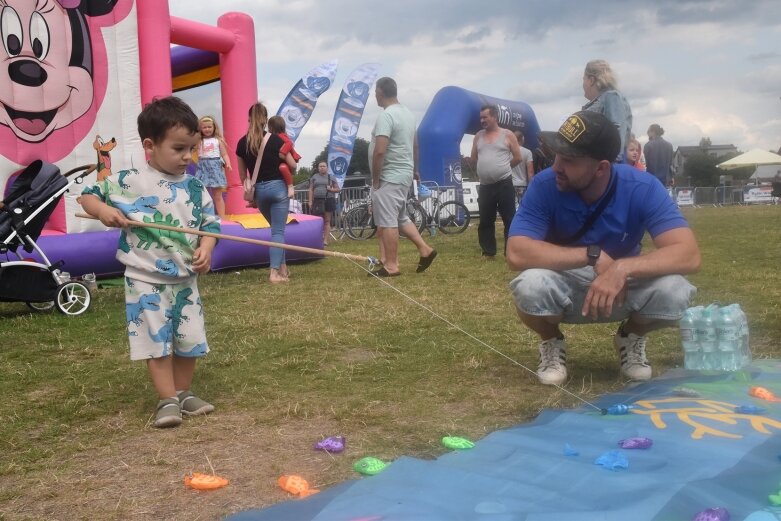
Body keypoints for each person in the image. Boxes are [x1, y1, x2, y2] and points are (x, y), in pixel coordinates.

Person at [506, 110, 700, 386]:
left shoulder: (641, 186)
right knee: (529, 285)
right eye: (556, 155)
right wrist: (591, 254)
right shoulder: (545, 184)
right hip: (567, 280)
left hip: (624, 286)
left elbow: (688, 253)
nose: (557, 166)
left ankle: (630, 336)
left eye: (569, 160)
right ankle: (551, 341)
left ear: (601, 168)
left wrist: (622, 267)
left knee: (677, 291)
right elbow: (516, 252)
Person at [79, 96, 221, 428]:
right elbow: (87, 196)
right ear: (150, 145)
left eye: (192, 149)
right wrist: (104, 211)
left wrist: (208, 247)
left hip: (185, 279)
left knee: (190, 339)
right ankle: (167, 399)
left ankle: (183, 392)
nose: (188, 156)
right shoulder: (128, 181)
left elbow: (211, 225)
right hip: (145, 278)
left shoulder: (197, 187)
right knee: (156, 341)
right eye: (179, 148)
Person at [368, 76, 437, 277]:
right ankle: (425, 249)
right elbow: (415, 144)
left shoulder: (386, 116)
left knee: (388, 220)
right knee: (400, 217)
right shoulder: (408, 114)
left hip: (389, 175)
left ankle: (391, 265)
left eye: (375, 93)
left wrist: (375, 178)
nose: (375, 97)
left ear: (380, 93)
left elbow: (380, 150)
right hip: (404, 173)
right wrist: (415, 168)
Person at [236, 102, 297, 283]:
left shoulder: (242, 143)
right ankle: (274, 273)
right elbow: (292, 165)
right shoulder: (277, 140)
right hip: (278, 188)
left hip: (260, 192)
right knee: (278, 232)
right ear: (265, 120)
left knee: (276, 231)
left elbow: (242, 175)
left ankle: (283, 270)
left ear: (249, 119)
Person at [469, 105, 521, 259]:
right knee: (485, 219)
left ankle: (511, 251)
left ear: (495, 117)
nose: (482, 120)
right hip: (485, 185)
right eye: (481, 118)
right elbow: (473, 157)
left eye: (485, 117)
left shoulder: (508, 134)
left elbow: (518, 157)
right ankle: (488, 252)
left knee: (509, 218)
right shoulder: (478, 136)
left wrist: (503, 167)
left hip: (504, 183)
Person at [582, 59, 632, 162]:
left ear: (591, 80)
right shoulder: (605, 99)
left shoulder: (611, 97)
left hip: (605, 167)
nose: (582, 85)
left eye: (584, 80)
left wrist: (609, 166)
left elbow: (616, 135)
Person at [194, 116, 231, 220]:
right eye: (204, 127)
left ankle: (222, 217)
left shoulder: (217, 140)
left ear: (214, 127)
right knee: (202, 193)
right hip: (202, 167)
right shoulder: (198, 140)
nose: (207, 129)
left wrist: (228, 163)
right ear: (200, 129)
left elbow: (224, 154)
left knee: (217, 195)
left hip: (215, 166)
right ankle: (204, 217)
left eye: (209, 127)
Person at [308, 161, 340, 245]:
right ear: (318, 168)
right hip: (317, 200)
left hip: (328, 199)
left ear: (327, 167)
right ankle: (318, 238)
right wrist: (310, 201)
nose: (322, 167)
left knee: (327, 220)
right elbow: (311, 189)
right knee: (318, 220)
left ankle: (325, 240)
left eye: (324, 166)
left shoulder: (331, 177)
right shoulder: (314, 177)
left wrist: (331, 189)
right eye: (320, 166)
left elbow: (338, 189)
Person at [267, 115, 301, 186]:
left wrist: (283, 153)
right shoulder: (282, 135)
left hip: (287, 160)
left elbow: (289, 143)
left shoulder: (280, 136)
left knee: (283, 167)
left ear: (271, 127)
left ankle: (290, 185)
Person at [511, 130, 535, 203]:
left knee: (511, 210)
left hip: (510, 185)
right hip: (523, 186)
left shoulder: (507, 151)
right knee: (522, 208)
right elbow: (530, 172)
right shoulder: (527, 152)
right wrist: (532, 187)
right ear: (522, 139)